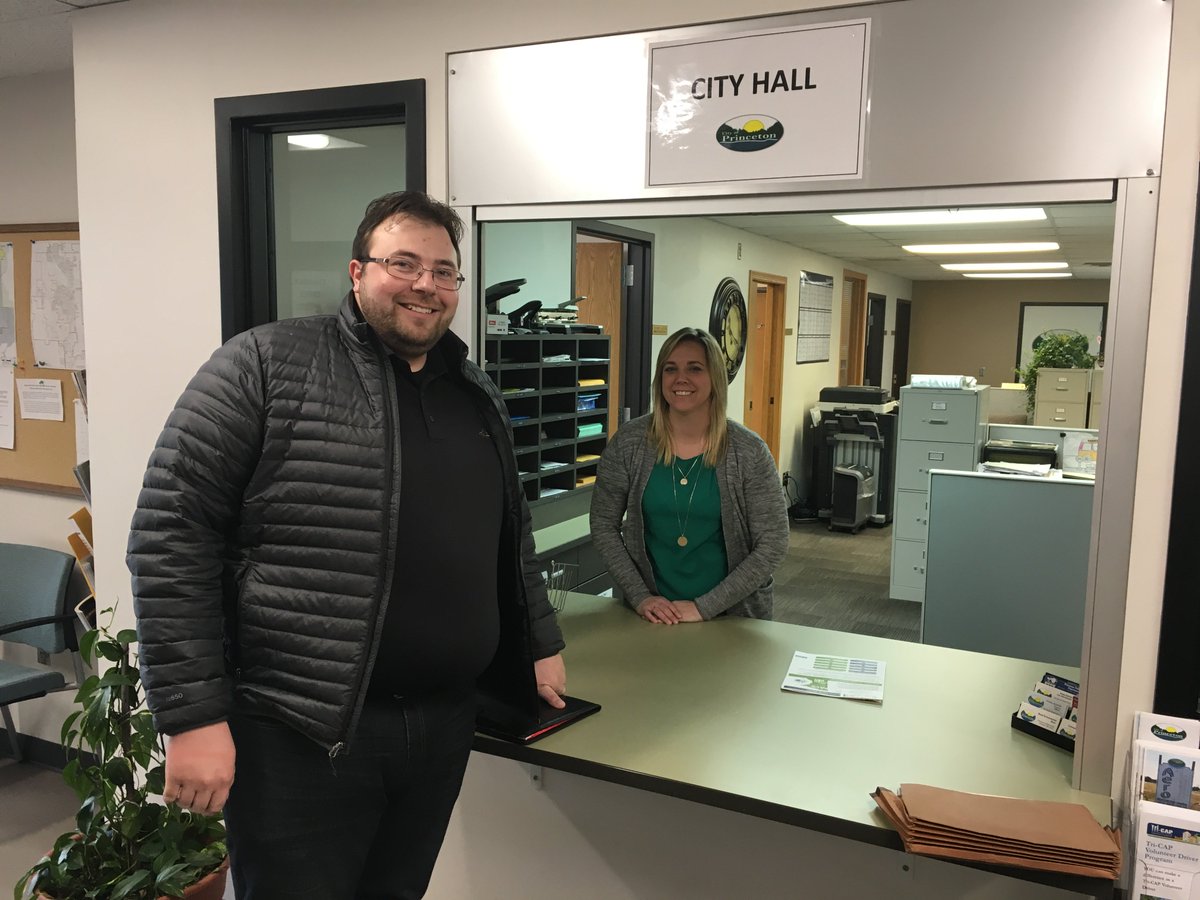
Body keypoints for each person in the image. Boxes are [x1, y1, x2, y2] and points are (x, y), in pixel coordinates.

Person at [127, 190, 567, 900]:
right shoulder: (264, 365)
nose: (426, 283)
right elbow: (170, 535)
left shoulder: (474, 390)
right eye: (404, 262)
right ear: (358, 273)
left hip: (442, 723)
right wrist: (193, 716)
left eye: (444, 270)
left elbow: (506, 537)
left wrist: (538, 641)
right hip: (302, 734)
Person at [590, 327, 789, 624]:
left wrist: (704, 607)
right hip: (651, 616)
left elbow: (773, 542)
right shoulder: (629, 444)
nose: (680, 378)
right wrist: (640, 596)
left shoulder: (748, 451)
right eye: (671, 369)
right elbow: (603, 523)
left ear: (715, 378)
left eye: (694, 369)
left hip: (733, 616)